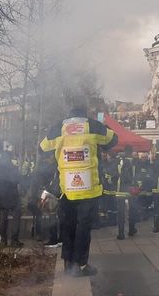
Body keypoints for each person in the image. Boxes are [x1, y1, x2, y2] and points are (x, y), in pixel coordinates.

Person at [40, 99, 117, 277]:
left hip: (66, 189)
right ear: (84, 113)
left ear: (69, 114)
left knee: (67, 226)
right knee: (84, 228)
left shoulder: (58, 127)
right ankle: (81, 265)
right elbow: (113, 139)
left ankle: (68, 264)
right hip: (89, 189)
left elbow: (42, 148)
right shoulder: (92, 125)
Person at [0, 140, 24, 247]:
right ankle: (14, 240)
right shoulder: (13, 165)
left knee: (3, 217)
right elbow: (17, 179)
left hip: (0, 195)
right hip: (12, 194)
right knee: (16, 216)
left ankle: (3, 240)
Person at [115, 146, 140, 240]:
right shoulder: (135, 162)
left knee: (120, 212)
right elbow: (139, 176)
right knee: (132, 210)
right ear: (131, 152)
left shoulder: (118, 162)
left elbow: (114, 174)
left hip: (120, 190)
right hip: (131, 190)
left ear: (124, 152)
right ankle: (131, 230)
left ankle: (121, 233)